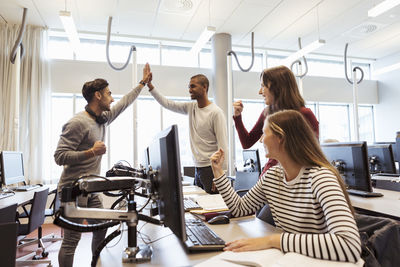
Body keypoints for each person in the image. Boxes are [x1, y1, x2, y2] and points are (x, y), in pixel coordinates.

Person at [210, 110, 361, 263]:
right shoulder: (272, 176)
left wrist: (273, 241)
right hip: (293, 259)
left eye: (264, 133)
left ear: (280, 138)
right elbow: (239, 208)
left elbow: (350, 245)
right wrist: (218, 172)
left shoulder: (320, 178)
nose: (261, 140)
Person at [54, 64, 152, 267]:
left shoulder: (101, 119)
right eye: (109, 94)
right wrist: (91, 152)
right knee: (72, 240)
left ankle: (94, 264)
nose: (113, 98)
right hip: (72, 190)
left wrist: (142, 83)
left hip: (90, 189)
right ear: (98, 96)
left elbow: (123, 104)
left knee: (101, 230)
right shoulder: (78, 123)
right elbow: (59, 156)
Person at [146, 67, 228, 194]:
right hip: (198, 168)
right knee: (201, 208)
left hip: (211, 169)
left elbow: (223, 146)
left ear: (204, 87)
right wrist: (150, 86)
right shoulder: (191, 107)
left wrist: (221, 176)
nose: (189, 90)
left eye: (193, 86)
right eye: (189, 87)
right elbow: (168, 104)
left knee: (214, 208)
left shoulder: (216, 113)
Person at [233, 65, 319, 174]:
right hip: (270, 175)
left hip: (292, 177)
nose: (260, 92)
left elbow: (312, 153)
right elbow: (247, 143)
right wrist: (237, 117)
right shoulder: (267, 113)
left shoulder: (304, 114)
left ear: (277, 88)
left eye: (263, 86)